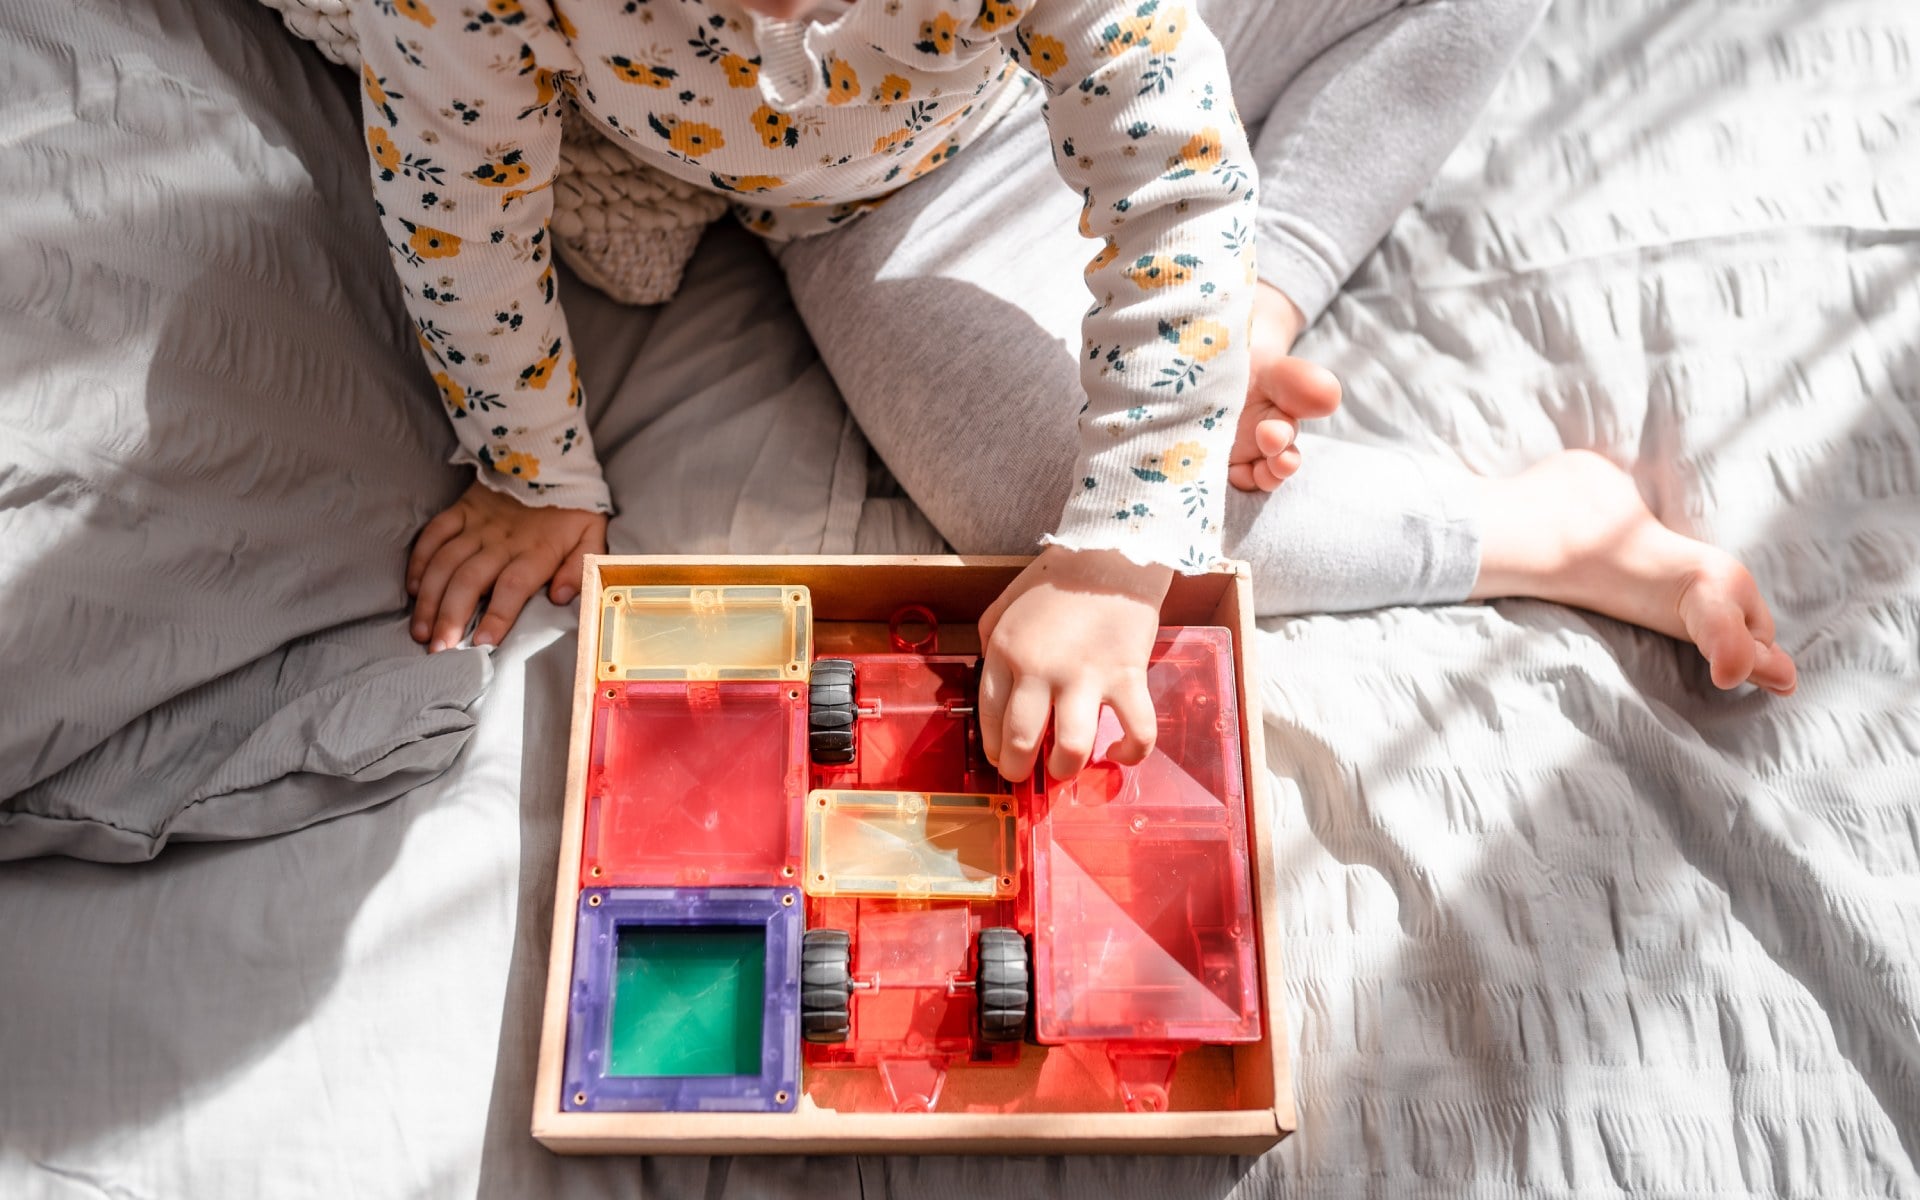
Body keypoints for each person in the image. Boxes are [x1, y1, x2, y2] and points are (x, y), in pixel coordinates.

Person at [364, 0, 1796, 789]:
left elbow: (1175, 178)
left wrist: (1125, 544)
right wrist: (530, 464)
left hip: (1092, 59)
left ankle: (1255, 307)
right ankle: (1548, 529)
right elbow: (453, 204)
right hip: (878, 209)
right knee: (1035, 514)